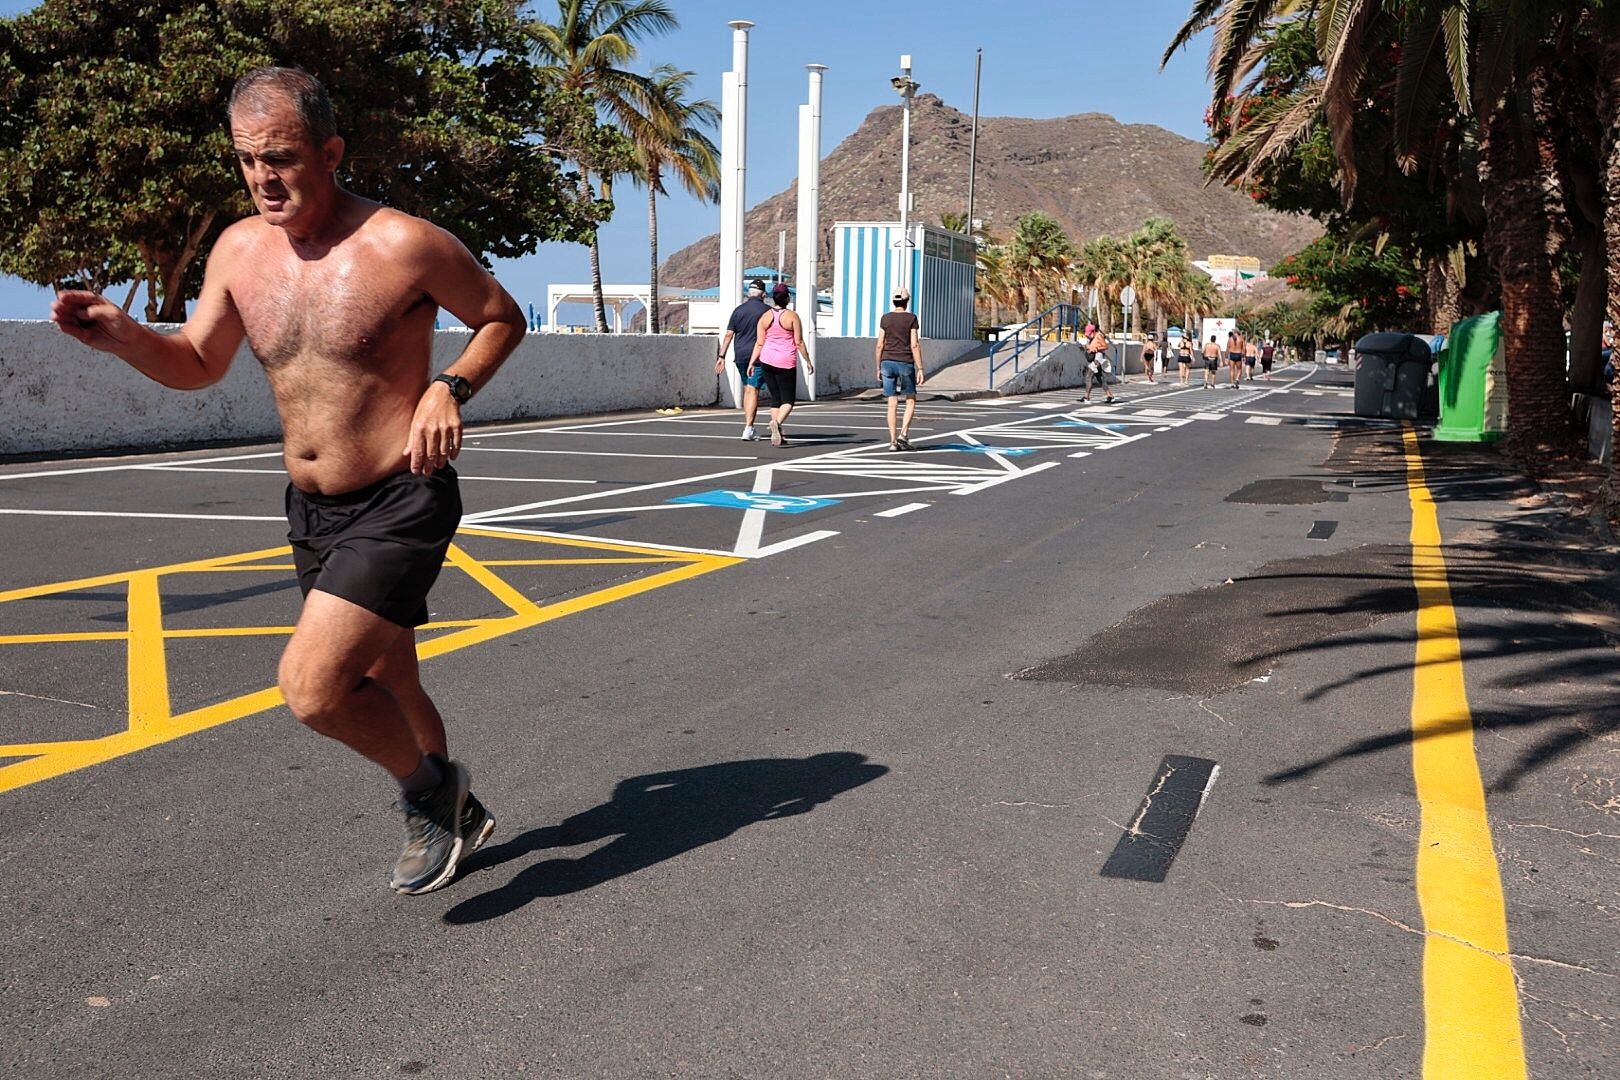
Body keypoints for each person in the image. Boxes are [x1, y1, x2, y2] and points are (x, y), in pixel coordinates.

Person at [48, 67, 525, 896]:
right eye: (246, 161)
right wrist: (127, 338)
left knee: (312, 688)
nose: (264, 177)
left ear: (330, 151)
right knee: (391, 678)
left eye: (282, 157)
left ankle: (427, 793)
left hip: (400, 493)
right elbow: (197, 363)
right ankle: (462, 811)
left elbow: (500, 316)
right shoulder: (238, 250)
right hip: (312, 507)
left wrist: (451, 387)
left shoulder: (401, 244)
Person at [747, 282, 814, 446]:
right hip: (786, 362)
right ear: (787, 298)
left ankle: (777, 433)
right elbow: (799, 342)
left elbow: (759, 343)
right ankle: (776, 423)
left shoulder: (765, 317)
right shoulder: (792, 317)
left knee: (776, 398)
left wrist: (751, 362)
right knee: (788, 400)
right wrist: (808, 361)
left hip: (766, 360)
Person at [716, 280, 770, 440]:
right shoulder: (768, 312)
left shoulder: (738, 311)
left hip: (740, 355)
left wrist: (721, 356)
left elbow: (728, 335)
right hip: (759, 356)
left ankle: (749, 426)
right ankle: (748, 428)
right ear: (764, 294)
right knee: (753, 390)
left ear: (748, 293)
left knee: (748, 388)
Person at [874, 287, 925, 451]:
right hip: (905, 362)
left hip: (887, 362)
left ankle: (893, 442)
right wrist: (921, 368)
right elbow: (914, 344)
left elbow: (880, 344)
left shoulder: (885, 319)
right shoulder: (911, 318)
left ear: (893, 301)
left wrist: (877, 367)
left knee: (891, 402)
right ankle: (904, 434)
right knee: (910, 398)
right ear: (907, 301)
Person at [1083, 323, 1114, 404]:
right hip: (1095, 358)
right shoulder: (1093, 338)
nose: (1088, 336)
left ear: (1093, 331)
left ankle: (1087, 397)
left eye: (1089, 334)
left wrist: (1096, 349)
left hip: (1097, 358)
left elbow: (1105, 346)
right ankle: (1109, 395)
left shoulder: (1099, 336)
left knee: (1089, 376)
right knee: (1099, 378)